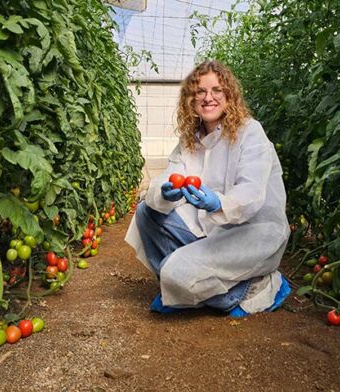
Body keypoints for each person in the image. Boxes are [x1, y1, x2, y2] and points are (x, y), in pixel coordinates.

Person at [125, 60, 291, 317]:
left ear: (229, 95)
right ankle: (197, 289)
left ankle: (255, 287)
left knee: (176, 273)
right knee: (147, 211)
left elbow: (252, 192)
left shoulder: (250, 132)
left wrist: (221, 203)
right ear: (190, 99)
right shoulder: (191, 138)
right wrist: (165, 189)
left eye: (216, 90)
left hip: (250, 231)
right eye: (199, 91)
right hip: (207, 228)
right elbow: (171, 174)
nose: (207, 98)